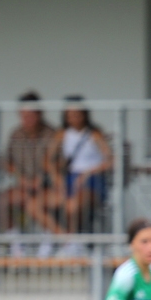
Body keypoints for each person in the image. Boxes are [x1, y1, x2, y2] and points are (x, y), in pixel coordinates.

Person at [36, 96, 113, 241]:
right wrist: (56, 177)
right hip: (70, 180)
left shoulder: (94, 134)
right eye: (70, 115)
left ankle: (74, 240)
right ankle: (65, 239)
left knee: (72, 206)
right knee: (35, 205)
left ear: (84, 115)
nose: (74, 118)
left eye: (77, 114)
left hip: (92, 181)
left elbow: (111, 160)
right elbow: (48, 159)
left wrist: (89, 172)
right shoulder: (61, 134)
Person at [2, 91, 57, 234]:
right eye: (23, 115)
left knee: (35, 205)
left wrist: (42, 178)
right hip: (23, 186)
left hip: (48, 187)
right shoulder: (16, 134)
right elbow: (7, 162)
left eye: (31, 115)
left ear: (39, 114)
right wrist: (21, 179)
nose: (27, 119)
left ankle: (51, 239)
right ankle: (14, 240)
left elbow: (57, 163)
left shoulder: (52, 134)